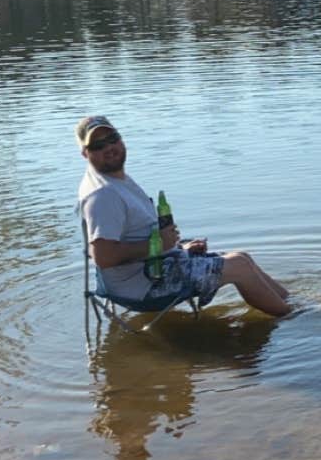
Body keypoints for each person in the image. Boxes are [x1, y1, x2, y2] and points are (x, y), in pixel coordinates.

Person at [75, 115, 292, 316]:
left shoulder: (114, 179)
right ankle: (293, 317)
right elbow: (103, 256)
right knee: (239, 267)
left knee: (242, 257)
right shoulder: (103, 194)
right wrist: (160, 244)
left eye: (112, 138)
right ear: (85, 153)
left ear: (121, 138)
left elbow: (134, 236)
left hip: (154, 267)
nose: (109, 147)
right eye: (98, 145)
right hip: (144, 286)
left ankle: (296, 303)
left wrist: (177, 248)